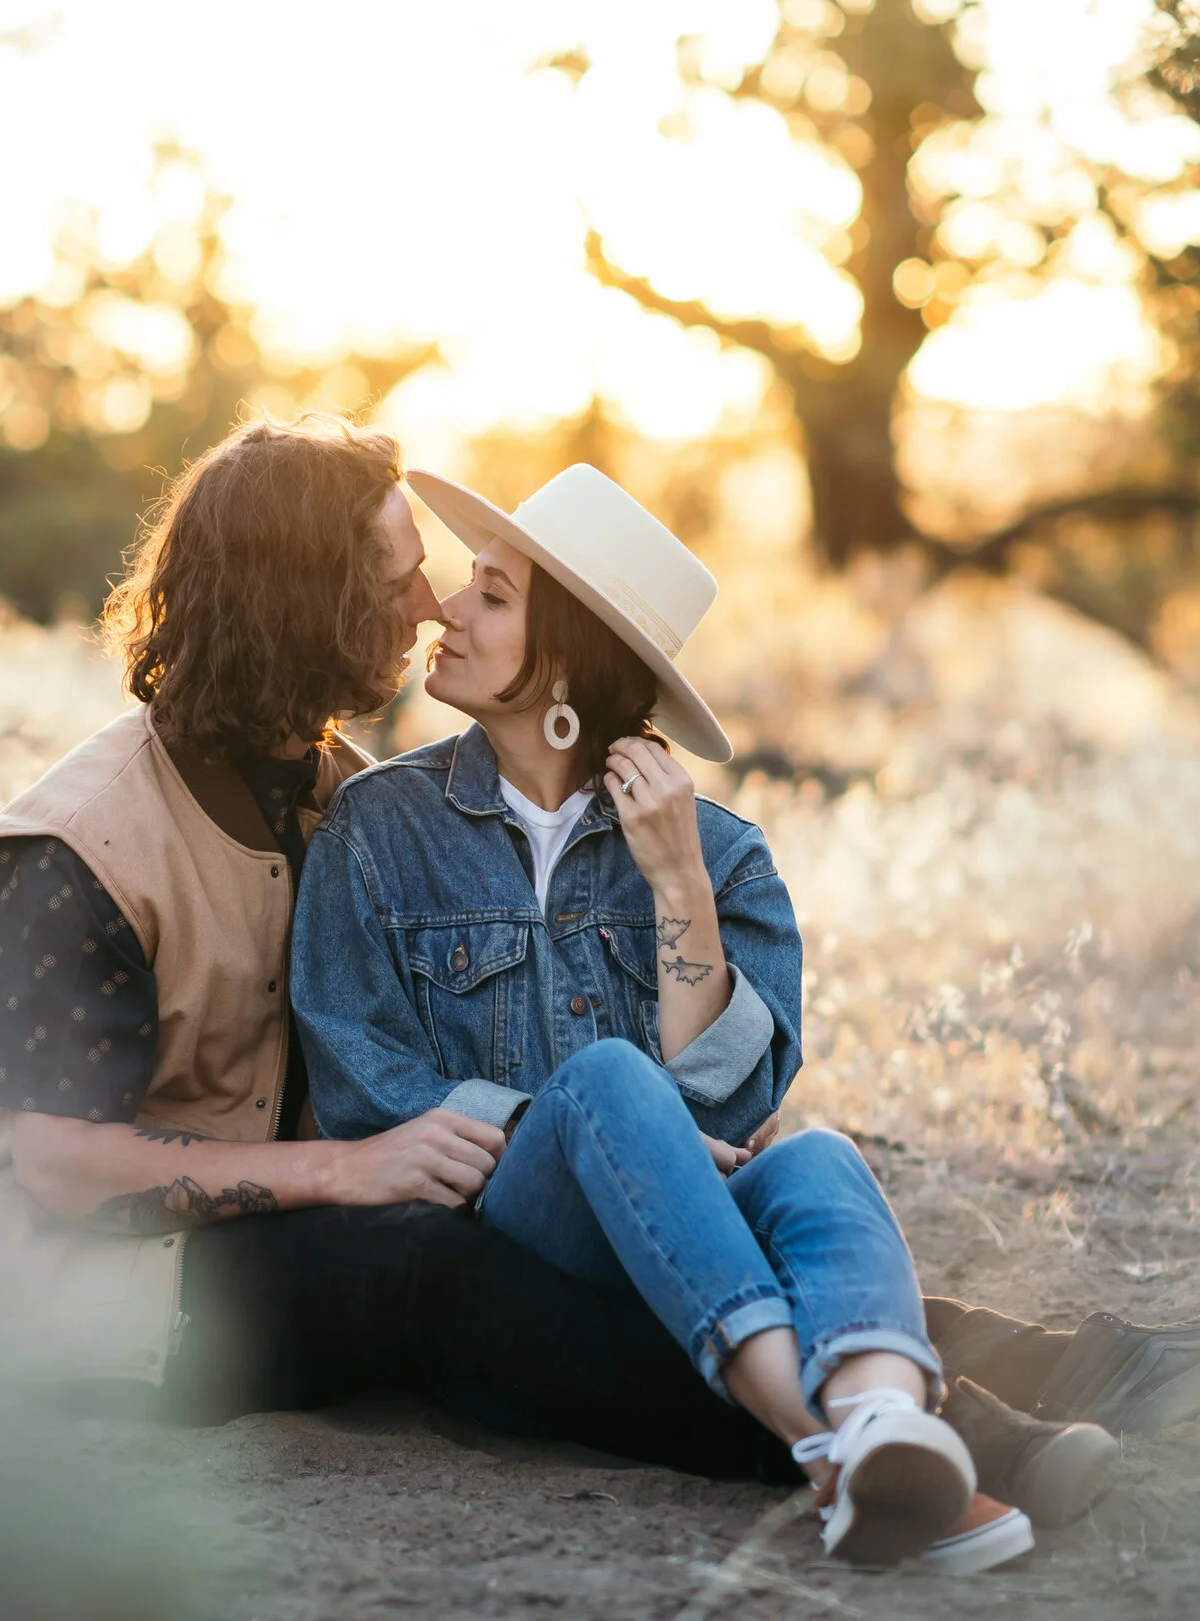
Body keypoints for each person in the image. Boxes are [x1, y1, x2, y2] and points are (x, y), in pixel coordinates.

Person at [0, 416, 1200, 1556]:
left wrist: (619, 1100)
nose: (427, 599)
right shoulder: (77, 848)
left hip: (301, 1227)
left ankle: (1044, 1369)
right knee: (458, 1261)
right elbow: (54, 1170)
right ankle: (915, 1439)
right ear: (299, 599)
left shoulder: (317, 785)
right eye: (398, 573)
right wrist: (357, 1170)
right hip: (116, 1300)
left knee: (742, 1184)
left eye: (448, 575)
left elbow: (704, 1086)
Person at [295, 462, 997, 1568]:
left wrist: (676, 884)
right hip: (503, 1246)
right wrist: (574, 1121)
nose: (443, 611)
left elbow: (735, 1103)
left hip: (673, 1229)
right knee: (609, 1082)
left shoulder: (720, 852)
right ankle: (816, 1443)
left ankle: (883, 1434)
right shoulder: (377, 827)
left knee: (818, 1159)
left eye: (488, 594)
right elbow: (358, 1079)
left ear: (566, 653)